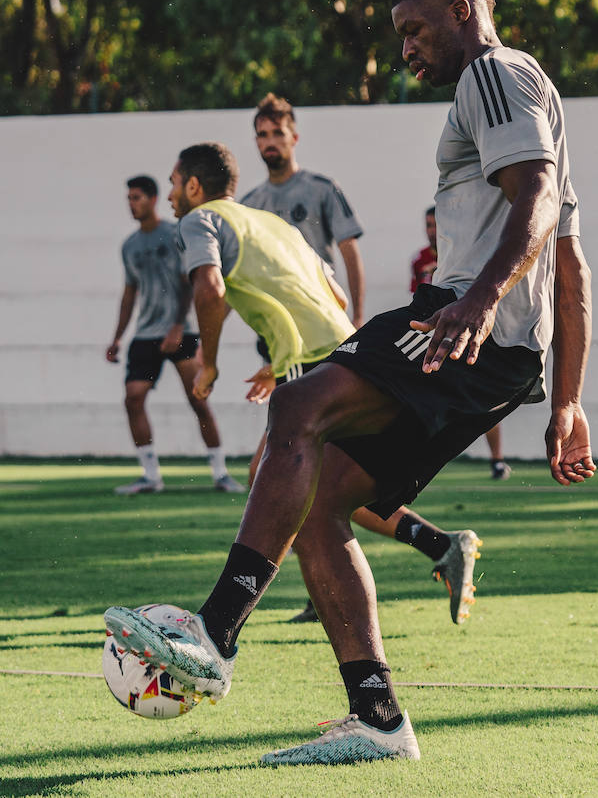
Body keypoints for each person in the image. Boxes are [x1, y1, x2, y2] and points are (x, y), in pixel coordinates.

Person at [105, 0, 594, 765]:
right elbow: (573, 262)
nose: (406, 48)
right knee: (322, 503)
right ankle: (377, 717)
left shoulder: (491, 72)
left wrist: (478, 299)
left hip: (463, 326)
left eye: (414, 29)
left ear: (462, 5)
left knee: (296, 407)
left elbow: (541, 201)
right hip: (505, 349)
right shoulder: (530, 92)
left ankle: (215, 634)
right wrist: (568, 396)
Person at [167, 143, 484, 627]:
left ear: (193, 186)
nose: (171, 195)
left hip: (310, 359)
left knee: (275, 483)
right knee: (317, 486)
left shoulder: (199, 221)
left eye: (173, 184)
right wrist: (286, 356)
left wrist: (207, 363)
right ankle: (433, 547)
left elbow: (209, 291)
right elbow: (329, 294)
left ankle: (234, 620)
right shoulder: (272, 223)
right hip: (343, 353)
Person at [105, 176, 244, 496]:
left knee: (198, 399)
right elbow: (129, 293)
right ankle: (151, 475)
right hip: (146, 334)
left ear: (153, 199)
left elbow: (188, 281)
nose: (131, 203)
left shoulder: (175, 234)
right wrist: (117, 338)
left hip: (181, 331)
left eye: (137, 197)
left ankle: (221, 473)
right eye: (128, 198)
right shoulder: (129, 245)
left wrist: (178, 324)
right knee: (133, 398)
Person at [240, 93, 368, 327]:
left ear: (294, 138)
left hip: (322, 316)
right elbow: (237, 267)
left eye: (278, 133)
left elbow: (350, 251)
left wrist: (358, 317)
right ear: (256, 141)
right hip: (275, 324)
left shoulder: (322, 189)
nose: (270, 142)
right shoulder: (249, 205)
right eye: (263, 135)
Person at [413, 205, 510, 480]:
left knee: (484, 401)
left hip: (468, 332)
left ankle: (497, 459)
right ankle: (424, 458)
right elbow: (418, 298)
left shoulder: (464, 253)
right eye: (428, 225)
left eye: (436, 225)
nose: (432, 231)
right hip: (436, 335)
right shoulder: (419, 260)